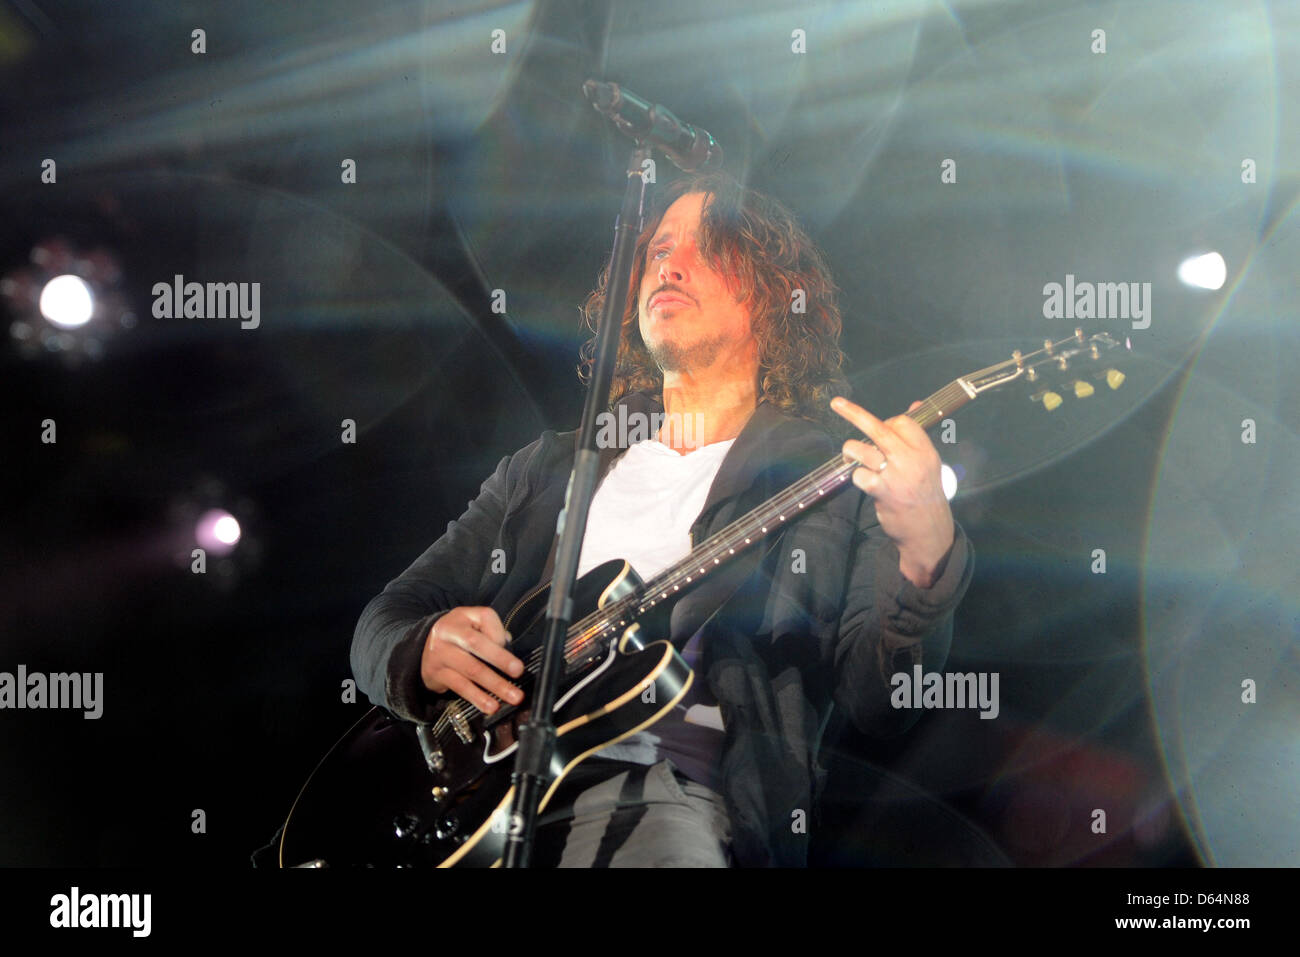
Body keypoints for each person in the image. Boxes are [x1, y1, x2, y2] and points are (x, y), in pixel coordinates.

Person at [350, 170, 974, 867]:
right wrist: (422, 648)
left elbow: (880, 702)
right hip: (484, 794)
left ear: (771, 295)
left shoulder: (829, 487)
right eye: (658, 248)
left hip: (666, 797)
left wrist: (926, 556)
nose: (669, 263)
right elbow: (384, 618)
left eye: (709, 248)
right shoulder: (547, 470)